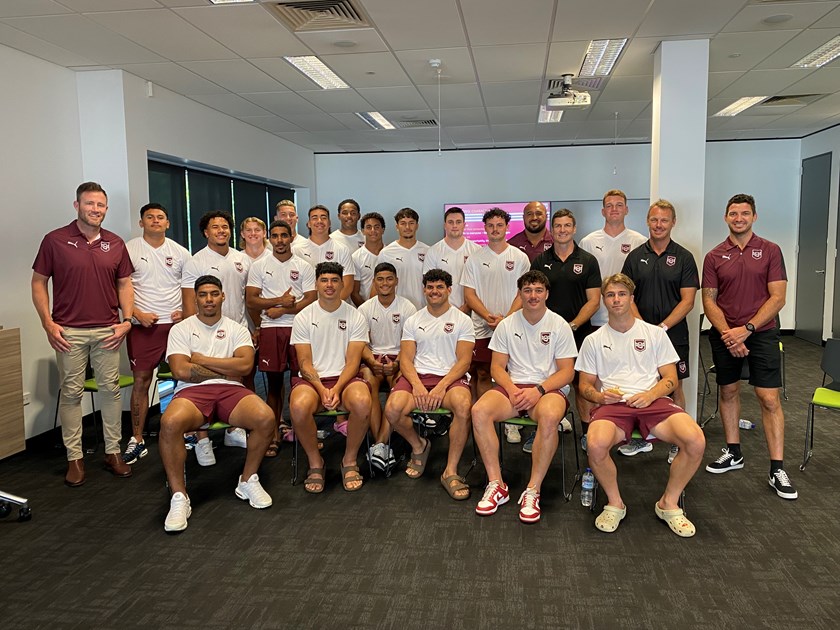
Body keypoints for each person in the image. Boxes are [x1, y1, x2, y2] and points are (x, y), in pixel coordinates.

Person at [576, 274, 705, 537]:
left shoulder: (654, 334)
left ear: (631, 298)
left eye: (622, 294)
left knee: (695, 440)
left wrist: (650, 394)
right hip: (613, 406)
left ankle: (668, 503)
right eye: (610, 295)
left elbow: (670, 379)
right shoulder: (593, 340)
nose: (616, 299)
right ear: (604, 300)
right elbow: (584, 385)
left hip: (653, 401)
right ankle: (614, 503)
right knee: (596, 443)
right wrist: (600, 397)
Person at [32, 181, 134, 486]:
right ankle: (74, 458)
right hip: (68, 331)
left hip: (108, 330)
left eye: (101, 205)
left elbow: (124, 284)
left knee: (111, 392)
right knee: (73, 393)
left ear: (106, 209)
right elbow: (39, 283)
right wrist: (48, 323)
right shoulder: (55, 240)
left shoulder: (115, 243)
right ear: (77, 206)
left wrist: (127, 320)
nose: (96, 210)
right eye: (90, 204)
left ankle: (113, 452)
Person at [159, 275, 275, 532]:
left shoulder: (236, 329)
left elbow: (245, 367)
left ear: (223, 296)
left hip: (231, 390)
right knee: (169, 423)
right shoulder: (181, 330)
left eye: (214, 293)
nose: (209, 299)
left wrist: (200, 359)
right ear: (196, 298)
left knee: (265, 418)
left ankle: (247, 480)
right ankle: (179, 497)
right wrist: (224, 369)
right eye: (203, 294)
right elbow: (180, 371)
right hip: (192, 391)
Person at [701, 193, 796, 500]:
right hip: (725, 333)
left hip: (762, 333)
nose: (738, 218)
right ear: (726, 217)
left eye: (744, 213)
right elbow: (709, 300)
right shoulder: (715, 256)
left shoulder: (770, 250)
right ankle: (733, 452)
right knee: (727, 391)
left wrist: (748, 329)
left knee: (768, 398)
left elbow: (778, 297)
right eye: (733, 213)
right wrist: (730, 333)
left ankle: (777, 468)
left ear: (754, 217)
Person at [472, 271, 577, 523]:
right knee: (479, 411)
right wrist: (512, 389)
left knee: (551, 416)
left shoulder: (559, 325)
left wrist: (538, 390)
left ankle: (533, 489)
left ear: (546, 294)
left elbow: (567, 372)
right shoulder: (507, 325)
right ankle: (497, 485)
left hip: (547, 389)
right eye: (527, 291)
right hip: (514, 387)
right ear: (519, 294)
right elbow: (497, 367)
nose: (533, 296)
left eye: (538, 290)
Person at [383, 269, 475, 500]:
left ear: (449, 290)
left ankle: (451, 470)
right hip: (419, 378)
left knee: (464, 407)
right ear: (424, 290)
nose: (434, 291)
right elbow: (405, 359)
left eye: (440, 287)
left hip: (450, 379)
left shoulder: (462, 320)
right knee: (392, 409)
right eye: (430, 287)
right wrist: (417, 386)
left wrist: (441, 387)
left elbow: (464, 361)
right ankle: (419, 445)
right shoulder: (414, 320)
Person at [621, 199, 699, 462]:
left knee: (674, 385)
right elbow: (627, 296)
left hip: (673, 334)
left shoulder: (685, 257)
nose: (658, 225)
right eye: (654, 219)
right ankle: (641, 439)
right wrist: (643, 327)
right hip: (638, 333)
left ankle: (679, 442)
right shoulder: (635, 256)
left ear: (673, 223)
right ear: (647, 221)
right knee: (638, 382)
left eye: (664, 220)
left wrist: (662, 327)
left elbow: (688, 300)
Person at [289, 262, 371, 493]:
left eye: (335, 280)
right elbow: (304, 362)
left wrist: (336, 388)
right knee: (298, 406)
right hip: (312, 380)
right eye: (324, 280)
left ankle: (349, 459)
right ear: (316, 283)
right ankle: (316, 462)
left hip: (345, 379)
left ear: (342, 283)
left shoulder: (355, 316)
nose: (329, 285)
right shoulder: (304, 317)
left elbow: (353, 362)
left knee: (362, 402)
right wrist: (321, 388)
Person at [122, 203, 190, 465]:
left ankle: (184, 430)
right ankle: (137, 439)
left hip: (174, 326)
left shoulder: (180, 252)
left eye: (160, 217)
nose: (155, 221)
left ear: (168, 223)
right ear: (142, 223)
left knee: (182, 377)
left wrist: (185, 311)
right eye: (149, 217)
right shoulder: (129, 250)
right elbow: (120, 287)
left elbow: (191, 286)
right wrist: (137, 313)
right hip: (143, 326)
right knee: (141, 380)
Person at [530, 208, 601, 452]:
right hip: (545, 334)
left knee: (582, 383)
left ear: (574, 228)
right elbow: (535, 295)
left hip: (579, 332)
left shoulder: (588, 260)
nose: (562, 230)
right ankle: (540, 428)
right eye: (558, 225)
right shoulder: (541, 260)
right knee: (543, 379)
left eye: (566, 226)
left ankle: (587, 431)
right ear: (553, 229)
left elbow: (594, 300)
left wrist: (572, 325)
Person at [181, 210, 252, 450]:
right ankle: (202, 438)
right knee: (203, 379)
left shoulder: (242, 259)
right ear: (205, 232)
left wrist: (253, 328)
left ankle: (234, 429)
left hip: (238, 329)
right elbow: (190, 301)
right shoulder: (196, 261)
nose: (221, 230)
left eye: (225, 226)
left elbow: (246, 298)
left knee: (237, 378)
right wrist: (193, 335)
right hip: (206, 331)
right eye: (215, 227)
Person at [245, 220, 317, 456]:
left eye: (284, 235)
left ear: (290, 238)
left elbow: (310, 298)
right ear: (270, 238)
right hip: (270, 329)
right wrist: (278, 301)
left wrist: (284, 310)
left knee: (302, 381)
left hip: (299, 330)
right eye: (274, 236)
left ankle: (304, 431)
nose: (279, 240)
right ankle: (273, 433)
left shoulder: (304, 266)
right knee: (274, 385)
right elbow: (252, 300)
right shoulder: (259, 265)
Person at [462, 208, 530, 423]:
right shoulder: (474, 258)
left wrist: (507, 320)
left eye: (499, 225)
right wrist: (488, 316)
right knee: (482, 372)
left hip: (513, 325)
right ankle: (486, 415)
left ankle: (512, 417)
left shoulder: (519, 257)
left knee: (511, 372)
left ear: (507, 227)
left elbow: (524, 292)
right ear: (485, 228)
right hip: (482, 326)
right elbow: (469, 293)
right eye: (490, 225)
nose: (495, 229)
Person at [357, 262, 417, 471]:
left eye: (389, 278)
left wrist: (398, 362)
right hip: (372, 358)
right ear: (374, 282)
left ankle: (379, 445)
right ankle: (381, 444)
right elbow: (361, 344)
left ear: (396, 281)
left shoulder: (407, 307)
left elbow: (410, 343)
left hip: (399, 358)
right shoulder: (365, 308)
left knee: (397, 388)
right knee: (367, 385)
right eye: (380, 279)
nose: (385, 283)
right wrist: (372, 362)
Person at [579, 189, 647, 328]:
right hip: (596, 318)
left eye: (619, 205)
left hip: (630, 318)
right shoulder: (588, 242)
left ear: (626, 210)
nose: (614, 209)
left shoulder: (640, 242)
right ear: (603, 211)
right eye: (609, 206)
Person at [423, 206, 480, 313]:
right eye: (450, 222)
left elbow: (481, 283)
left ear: (464, 225)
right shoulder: (433, 251)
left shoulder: (476, 250)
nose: (454, 226)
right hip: (442, 311)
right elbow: (429, 284)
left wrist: (468, 306)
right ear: (445, 225)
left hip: (472, 311)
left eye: (458, 222)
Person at [292, 205, 355, 301]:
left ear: (329, 223)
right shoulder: (296, 250)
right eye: (314, 218)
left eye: (323, 217)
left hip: (336, 307)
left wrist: (331, 306)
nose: (319, 221)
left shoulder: (342, 249)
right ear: (308, 224)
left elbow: (348, 285)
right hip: (306, 307)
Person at [376, 208, 429, 309]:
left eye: (411, 223)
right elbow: (378, 284)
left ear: (417, 226)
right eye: (403, 223)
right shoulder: (386, 253)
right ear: (397, 226)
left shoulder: (428, 251)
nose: (407, 227)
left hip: (422, 309)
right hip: (396, 310)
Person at [351, 212, 386, 307]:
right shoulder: (356, 257)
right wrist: (367, 311)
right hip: (365, 309)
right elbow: (354, 293)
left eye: (377, 227)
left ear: (383, 230)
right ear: (363, 231)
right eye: (369, 227)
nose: (373, 230)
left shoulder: (391, 254)